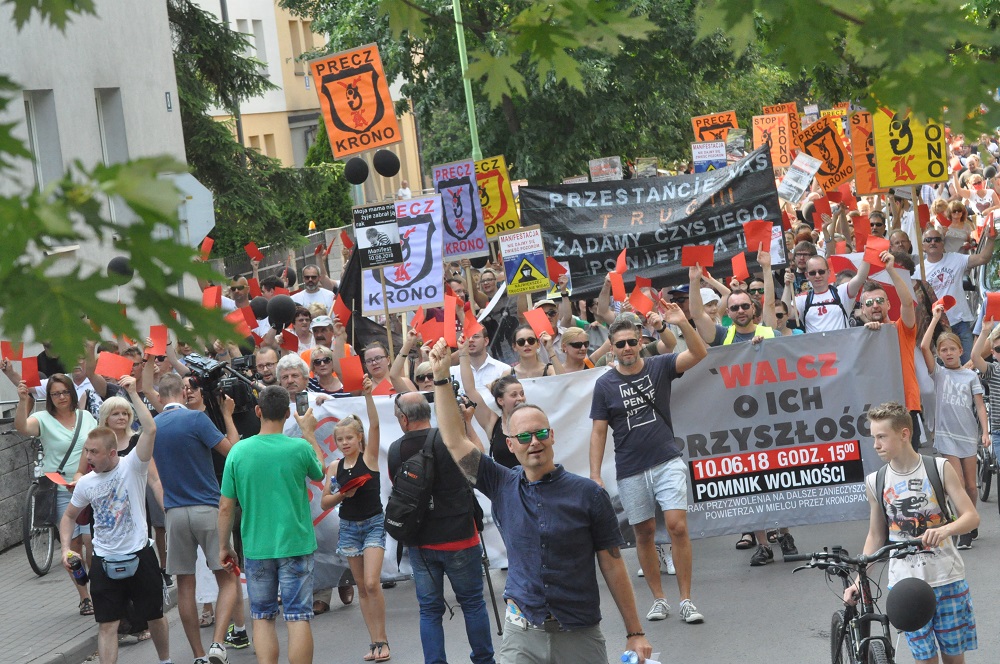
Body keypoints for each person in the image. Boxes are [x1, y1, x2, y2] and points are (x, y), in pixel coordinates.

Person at [428, 339, 654, 664]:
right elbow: (452, 439)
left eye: (539, 434)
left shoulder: (588, 494)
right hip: (521, 635)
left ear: (552, 435)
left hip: (579, 633)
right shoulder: (501, 483)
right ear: (511, 445)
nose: (532, 442)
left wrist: (635, 632)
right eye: (522, 437)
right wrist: (439, 378)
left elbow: (613, 562)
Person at [589, 304, 707, 624]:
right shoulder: (605, 385)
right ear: (611, 349)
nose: (627, 348)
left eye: (631, 341)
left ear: (641, 341)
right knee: (644, 533)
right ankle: (659, 599)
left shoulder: (659, 365)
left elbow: (699, 354)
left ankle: (686, 599)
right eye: (620, 344)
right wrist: (595, 475)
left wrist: (682, 323)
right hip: (630, 468)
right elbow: (599, 431)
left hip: (666, 459)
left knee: (676, 526)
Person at [844, 402, 979, 663]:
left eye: (882, 436)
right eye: (874, 437)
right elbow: (876, 535)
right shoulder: (876, 481)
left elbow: (971, 517)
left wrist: (944, 530)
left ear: (904, 434)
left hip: (947, 580)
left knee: (954, 659)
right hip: (905, 588)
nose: (876, 444)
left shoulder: (938, 469)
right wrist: (859, 581)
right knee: (925, 660)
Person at [59, 378, 171, 664]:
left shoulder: (133, 466)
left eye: (93, 452)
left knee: (155, 617)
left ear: (111, 453)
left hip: (140, 554)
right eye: (86, 451)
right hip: (104, 561)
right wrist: (64, 550)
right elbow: (69, 517)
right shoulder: (86, 483)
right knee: (107, 625)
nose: (87, 457)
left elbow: (151, 428)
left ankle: (165, 660)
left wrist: (134, 392)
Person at [219, 386, 327, 664]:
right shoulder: (299, 447)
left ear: (258, 411)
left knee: (263, 617)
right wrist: (310, 432)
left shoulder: (238, 451)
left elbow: (226, 506)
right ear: (288, 414)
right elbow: (320, 471)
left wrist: (224, 546)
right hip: (296, 543)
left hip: (257, 546)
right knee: (298, 616)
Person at [387, 391, 495, 664]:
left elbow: (399, 491)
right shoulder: (451, 439)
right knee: (472, 604)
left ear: (403, 419)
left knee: (429, 611)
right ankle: (484, 660)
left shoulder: (396, 450)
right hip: (460, 535)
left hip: (421, 540)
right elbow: (481, 465)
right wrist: (467, 424)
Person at [152, 373, 238, 664]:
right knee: (227, 579)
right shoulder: (196, 420)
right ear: (183, 392)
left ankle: (198, 654)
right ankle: (217, 643)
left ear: (161, 397)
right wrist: (227, 416)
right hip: (207, 508)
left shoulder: (152, 427)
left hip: (174, 514)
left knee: (185, 585)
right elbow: (231, 452)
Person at [320, 377, 390, 662]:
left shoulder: (370, 457)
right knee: (361, 586)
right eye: (340, 439)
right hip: (348, 528)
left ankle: (383, 639)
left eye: (349, 437)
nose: (345, 443)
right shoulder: (335, 466)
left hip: (373, 523)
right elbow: (326, 500)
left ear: (359, 437)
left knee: (372, 583)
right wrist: (341, 497)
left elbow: (375, 425)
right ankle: (373, 642)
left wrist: (369, 396)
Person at [15, 373, 97, 614]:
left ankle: (100, 588)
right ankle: (85, 597)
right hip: (61, 490)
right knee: (72, 549)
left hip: (89, 489)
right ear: (49, 397)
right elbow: (22, 427)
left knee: (92, 544)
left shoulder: (86, 417)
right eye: (55, 393)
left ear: (72, 393)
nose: (61, 397)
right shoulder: (43, 418)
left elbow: (98, 446)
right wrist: (22, 401)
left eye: (64, 392)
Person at [919, 311, 988, 550]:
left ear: (961, 351)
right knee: (956, 482)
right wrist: (936, 319)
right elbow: (923, 346)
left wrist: (985, 433)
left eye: (952, 349)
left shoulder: (970, 376)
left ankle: (971, 519)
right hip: (946, 435)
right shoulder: (938, 373)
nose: (948, 353)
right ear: (939, 354)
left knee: (971, 485)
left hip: (968, 435)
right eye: (943, 350)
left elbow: (979, 406)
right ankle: (963, 529)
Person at [859, 252, 923, 452]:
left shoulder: (901, 329)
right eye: (869, 303)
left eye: (879, 301)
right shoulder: (857, 338)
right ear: (862, 310)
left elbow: (907, 303)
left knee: (911, 463)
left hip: (906, 407)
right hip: (876, 411)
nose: (875, 306)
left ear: (888, 304)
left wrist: (891, 271)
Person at [915, 225, 995, 365]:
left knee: (971, 365)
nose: (933, 242)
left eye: (937, 239)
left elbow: (983, 258)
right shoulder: (917, 271)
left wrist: (990, 239)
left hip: (961, 323)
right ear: (923, 246)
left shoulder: (956, 259)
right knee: (943, 371)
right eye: (928, 240)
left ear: (942, 244)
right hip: (938, 327)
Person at [786, 255, 870, 333]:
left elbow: (860, 278)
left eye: (821, 271)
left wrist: (867, 254)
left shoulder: (841, 292)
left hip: (841, 347)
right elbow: (786, 313)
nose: (817, 275)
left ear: (829, 273)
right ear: (807, 275)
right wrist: (787, 286)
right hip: (816, 348)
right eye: (812, 273)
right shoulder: (802, 299)